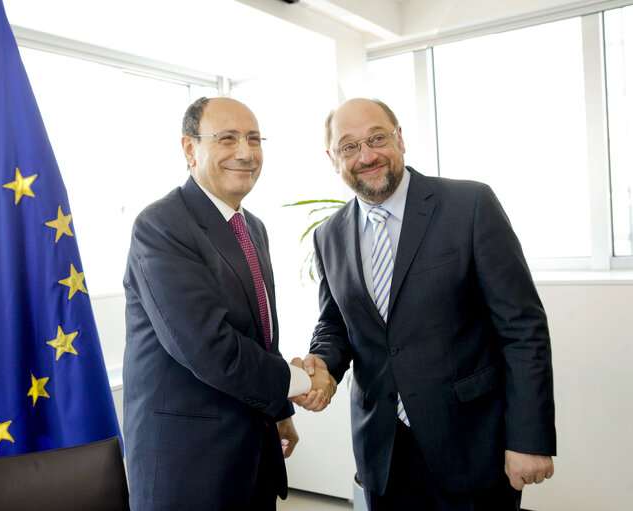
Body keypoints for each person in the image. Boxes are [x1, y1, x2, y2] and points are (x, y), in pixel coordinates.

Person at [296, 98, 556, 510]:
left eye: (377, 138)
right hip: (383, 453)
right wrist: (321, 363)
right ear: (333, 158)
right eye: (349, 146)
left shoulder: (469, 205)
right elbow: (336, 325)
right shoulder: (329, 235)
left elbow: (522, 328)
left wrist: (528, 438)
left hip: (472, 444)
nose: (366, 156)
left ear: (400, 138)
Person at [123, 96, 335, 511]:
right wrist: (302, 384)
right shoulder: (162, 225)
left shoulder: (250, 226)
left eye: (254, 139)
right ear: (190, 149)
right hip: (189, 467)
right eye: (227, 138)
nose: (246, 152)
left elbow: (257, 336)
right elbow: (208, 347)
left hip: (251, 453)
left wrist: (277, 411)